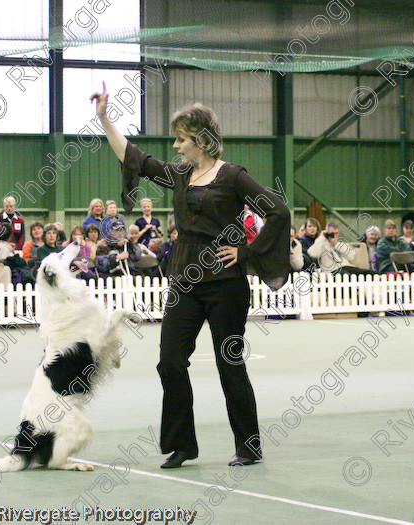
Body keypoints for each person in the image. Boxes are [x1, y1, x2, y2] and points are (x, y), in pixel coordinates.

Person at [91, 85, 290, 468]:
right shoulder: (181, 175)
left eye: (181, 139)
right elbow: (134, 157)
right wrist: (104, 118)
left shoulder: (233, 176)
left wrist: (246, 253)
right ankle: (183, 445)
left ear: (200, 140)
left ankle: (248, 445)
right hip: (184, 280)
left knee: (229, 362)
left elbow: (278, 212)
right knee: (169, 362)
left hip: (225, 285)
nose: (176, 146)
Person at [308, 222, 377, 276]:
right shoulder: (321, 244)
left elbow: (351, 256)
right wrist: (321, 237)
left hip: (346, 267)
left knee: (371, 274)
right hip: (332, 271)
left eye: (336, 233)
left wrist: (335, 244)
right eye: (332, 233)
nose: (335, 235)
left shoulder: (340, 244)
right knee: (346, 276)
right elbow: (313, 254)